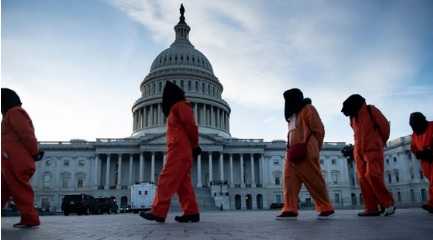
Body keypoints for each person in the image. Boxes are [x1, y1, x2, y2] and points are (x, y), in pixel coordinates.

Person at [140, 81, 201, 223]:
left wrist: (195, 145)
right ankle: (191, 212)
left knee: (165, 180)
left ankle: (158, 212)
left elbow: (191, 126)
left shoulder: (180, 106)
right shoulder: (176, 108)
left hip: (179, 150)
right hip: (179, 149)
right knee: (183, 185)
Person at [277, 88, 334, 220]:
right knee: (289, 181)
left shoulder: (308, 109)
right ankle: (290, 208)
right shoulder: (291, 116)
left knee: (314, 180)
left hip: (307, 151)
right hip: (292, 153)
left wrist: (314, 148)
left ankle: (325, 206)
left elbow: (319, 130)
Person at [341, 94, 395, 216]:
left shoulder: (371, 110)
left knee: (372, 175)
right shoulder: (353, 117)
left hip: (373, 148)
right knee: (362, 179)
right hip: (359, 151)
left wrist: (379, 142)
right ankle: (371, 208)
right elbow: (357, 135)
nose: (348, 115)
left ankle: (388, 203)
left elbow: (385, 126)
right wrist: (353, 149)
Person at [1, 88, 41, 228]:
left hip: (17, 161)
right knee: (3, 190)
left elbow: (26, 134)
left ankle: (30, 219)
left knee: (21, 191)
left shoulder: (15, 112)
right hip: (8, 162)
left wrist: (35, 152)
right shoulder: (8, 116)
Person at [409, 112, 433, 214]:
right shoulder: (415, 134)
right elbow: (413, 148)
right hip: (425, 162)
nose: (415, 127)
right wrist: (418, 153)